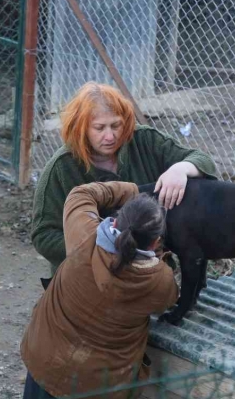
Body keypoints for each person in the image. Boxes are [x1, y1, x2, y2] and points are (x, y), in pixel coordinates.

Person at [19, 181, 178, 399]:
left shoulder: (83, 235)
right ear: (155, 242)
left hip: (48, 359)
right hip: (102, 386)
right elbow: (169, 299)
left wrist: (135, 190)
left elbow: (81, 192)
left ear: (114, 223)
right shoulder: (160, 281)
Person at [32, 82, 217, 275]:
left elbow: (203, 161)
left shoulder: (144, 140)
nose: (110, 136)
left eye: (115, 125)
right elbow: (43, 235)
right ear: (81, 128)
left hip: (148, 265)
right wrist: (101, 250)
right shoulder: (61, 167)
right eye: (99, 128)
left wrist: (180, 169)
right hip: (90, 273)